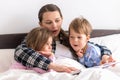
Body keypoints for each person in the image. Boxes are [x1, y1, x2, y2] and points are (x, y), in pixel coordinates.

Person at [14, 4, 113, 73]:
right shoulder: (36, 36)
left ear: (62, 19)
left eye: (57, 20)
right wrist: (52, 66)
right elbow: (20, 52)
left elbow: (97, 47)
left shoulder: (70, 38)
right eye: (48, 22)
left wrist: (105, 56)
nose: (54, 26)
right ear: (41, 24)